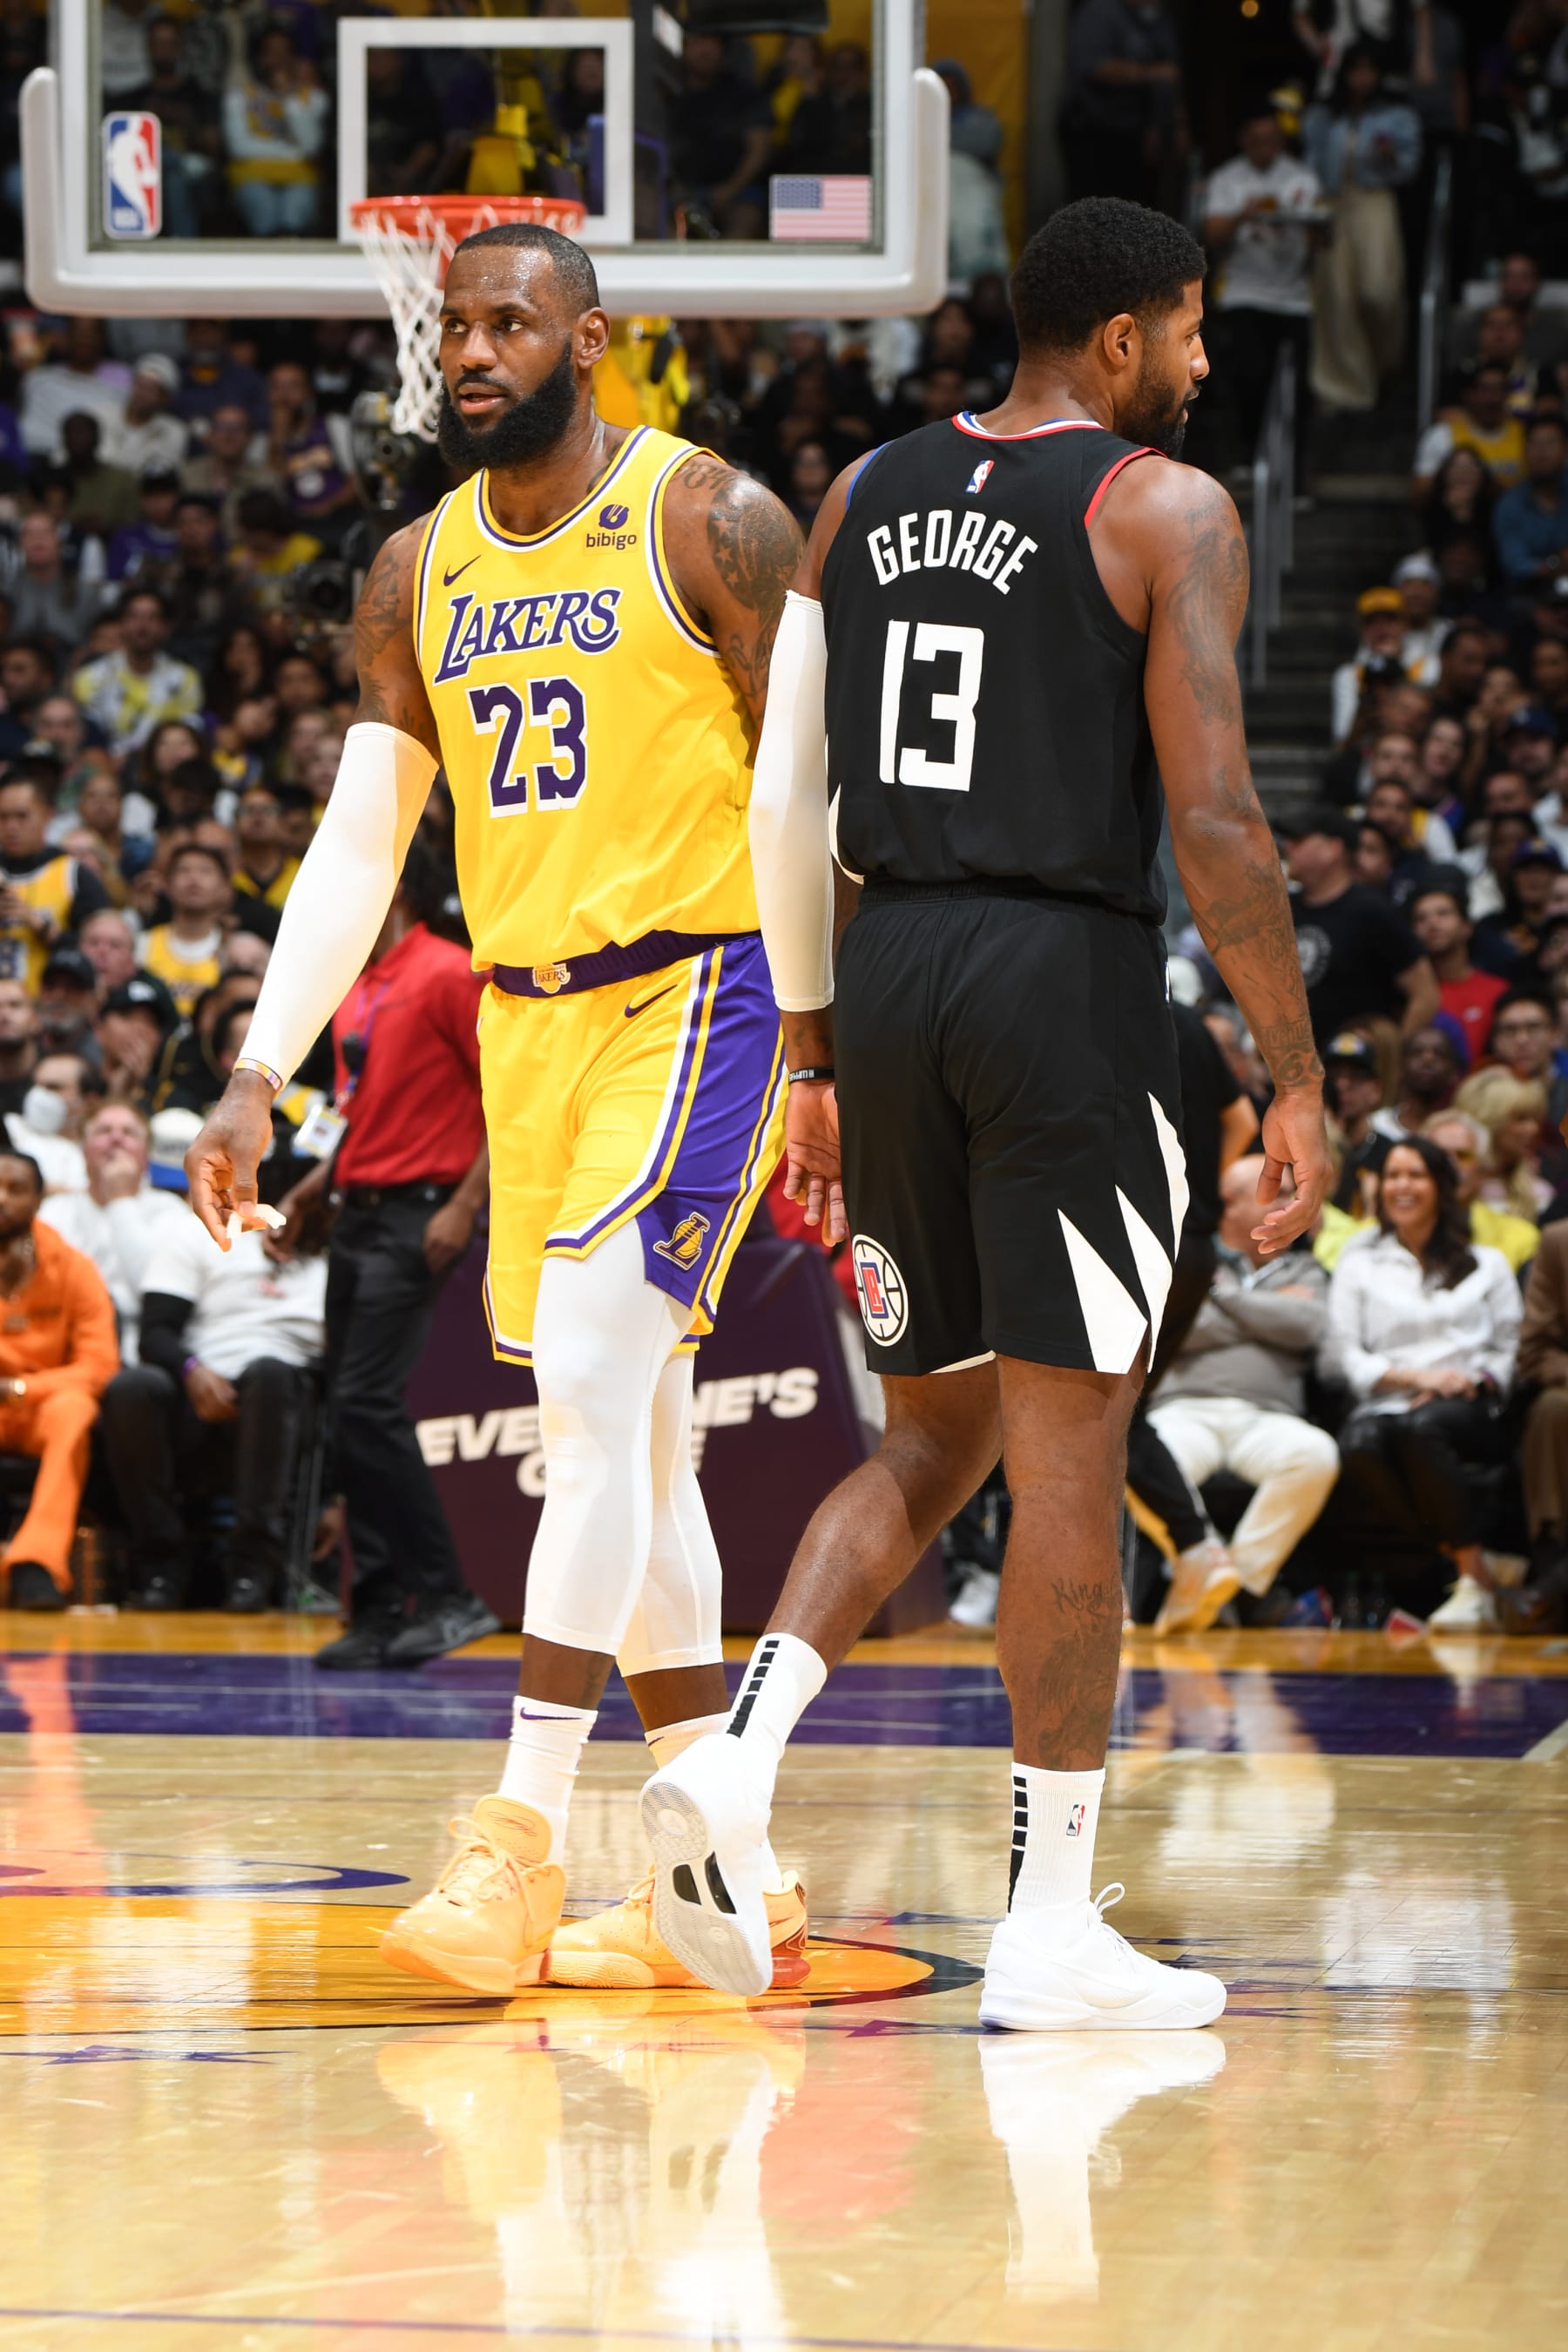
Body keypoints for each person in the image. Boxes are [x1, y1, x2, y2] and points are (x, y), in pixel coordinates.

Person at [639, 197, 1329, 2027]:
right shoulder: (1167, 509)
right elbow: (1217, 829)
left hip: (888, 976)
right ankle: (1047, 1927)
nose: (1197, 365)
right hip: (1060, 983)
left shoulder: (863, 494)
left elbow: (788, 797)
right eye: (1186, 333)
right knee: (1071, 1456)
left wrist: (807, 1053)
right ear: (1120, 340)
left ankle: (734, 1757)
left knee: (926, 1441)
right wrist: (1300, 1075)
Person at [186, 223, 808, 1996]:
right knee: (651, 1451)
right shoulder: (413, 568)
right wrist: (256, 1072)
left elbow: (811, 798)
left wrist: (836, 1049)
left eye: (507, 320)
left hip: (706, 990)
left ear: (590, 341)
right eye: (453, 323)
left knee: (601, 1400)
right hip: (533, 1028)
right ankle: (732, 1886)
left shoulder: (713, 520)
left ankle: (517, 1843)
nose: (468, 348)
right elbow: (363, 840)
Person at [277, 846, 500, 1672]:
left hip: (420, 1210)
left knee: (368, 1401)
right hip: (356, 1212)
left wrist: (466, 1204)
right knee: (346, 1409)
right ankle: (376, 1606)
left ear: (393, 888)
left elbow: (503, 1096)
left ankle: (449, 1596)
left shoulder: (447, 972)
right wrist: (313, 1186)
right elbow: (354, 1106)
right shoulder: (354, 988)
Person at [1325, 1136, 1521, 1629]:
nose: (1401, 1186)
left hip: (1467, 1404)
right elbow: (1346, 1353)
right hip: (1387, 1400)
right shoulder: (1360, 1261)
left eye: (1416, 1175)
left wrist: (1469, 1382)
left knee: (1421, 1429)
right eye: (1392, 1175)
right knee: (1358, 1444)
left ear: (1440, 1186)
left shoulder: (1487, 1262)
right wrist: (1415, 1378)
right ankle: (1471, 1570)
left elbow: (1510, 1347)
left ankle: (1468, 1571)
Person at [99, 1209, 324, 1610]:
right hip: (200, 1394)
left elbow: (344, 1366)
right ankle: (160, 1563)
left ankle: (251, 1567)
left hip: (285, 1403)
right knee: (132, 1387)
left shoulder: (336, 1250)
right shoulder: (198, 1231)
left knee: (270, 1376)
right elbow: (156, 1333)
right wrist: (192, 1371)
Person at [1148, 1156, 1338, 1625]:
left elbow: (1309, 1326)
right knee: (1142, 1462)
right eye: (1276, 1192)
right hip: (1184, 1410)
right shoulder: (1187, 1259)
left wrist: (1220, 1298)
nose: (1291, 1202)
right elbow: (1176, 1328)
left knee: (1316, 1455)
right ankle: (1209, 1571)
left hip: (1269, 1418)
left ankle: (1235, 1586)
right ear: (1230, 1205)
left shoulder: (1306, 1269)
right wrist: (1267, 1317)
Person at [0, 1149, 118, 1611]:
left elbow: (100, 1365)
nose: (2, 1198)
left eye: (16, 1189)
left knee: (74, 1409)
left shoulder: (73, 1268)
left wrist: (21, 1390)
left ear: (38, 1200)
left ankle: (37, 1563)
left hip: (37, 1410)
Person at [1203, 105, 1321, 483]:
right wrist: (1244, 215)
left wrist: (1313, 225)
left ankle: (1296, 472)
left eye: (1272, 140)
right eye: (1257, 140)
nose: (1265, 147)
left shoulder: (1301, 177)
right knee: (1248, 378)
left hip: (1294, 297)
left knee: (1298, 389)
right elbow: (1212, 233)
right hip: (1244, 293)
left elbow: (1323, 236)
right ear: (1244, 140)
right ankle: (1248, 455)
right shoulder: (1227, 179)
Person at [1303, 46, 1420, 414]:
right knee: (1337, 297)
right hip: (1333, 204)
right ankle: (1346, 389)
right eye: (1356, 70)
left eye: (1370, 70)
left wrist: (1390, 159)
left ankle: (1385, 365)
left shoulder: (1398, 115)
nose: (1362, 79)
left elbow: (1410, 167)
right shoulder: (1323, 115)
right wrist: (1314, 214)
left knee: (1378, 291)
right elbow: (1310, 167)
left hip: (1375, 200)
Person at [39, 1100, 188, 1361]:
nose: (116, 1139)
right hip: (65, 1339)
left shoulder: (171, 1211)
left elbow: (151, 1290)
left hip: (142, 1348)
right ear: (84, 1151)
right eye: (103, 1131)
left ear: (146, 1155)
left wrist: (121, 1201)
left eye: (129, 1133)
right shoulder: (54, 1211)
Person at [1281, 804, 1440, 1041]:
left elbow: (1426, 995)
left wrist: (1389, 1059)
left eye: (1299, 840)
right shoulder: (1282, 910)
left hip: (1350, 1067)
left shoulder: (1371, 911)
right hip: (1292, 1068)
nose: (1287, 847)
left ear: (1332, 849)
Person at [1507, 1220, 1568, 1632]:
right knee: (1553, 1410)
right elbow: (1533, 1350)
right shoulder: (1558, 1241)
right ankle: (1552, 1562)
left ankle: (1551, 1589)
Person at [0, 777, 111, 994]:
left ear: (47, 815)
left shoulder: (74, 874)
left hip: (52, 1008)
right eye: (3, 817)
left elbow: (99, 952)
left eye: (22, 816)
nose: (11, 826)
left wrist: (40, 926)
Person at [71, 586, 201, 758]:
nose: (142, 625)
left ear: (165, 628)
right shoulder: (89, 678)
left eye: (152, 617)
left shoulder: (185, 679)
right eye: (134, 616)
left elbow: (187, 737)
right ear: (120, 624)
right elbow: (85, 736)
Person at [1423, 1108, 1540, 1274]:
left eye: (1463, 1156)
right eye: (1440, 1155)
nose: (1451, 1166)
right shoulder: (1375, 1233)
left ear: (1483, 1167)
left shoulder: (1521, 1238)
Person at [1410, 882, 1509, 1063]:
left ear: (1467, 927)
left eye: (1443, 913)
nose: (1432, 922)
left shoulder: (1498, 991)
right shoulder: (1412, 997)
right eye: (1421, 918)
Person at [139, 842, 231, 1019]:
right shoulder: (143, 944)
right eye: (184, 871)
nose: (194, 879)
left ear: (224, 887)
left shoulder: (235, 951)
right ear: (167, 884)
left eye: (206, 871)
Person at [1412, 363, 1527, 498]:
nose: (1492, 399)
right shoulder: (1442, 435)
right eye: (1484, 389)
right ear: (1469, 394)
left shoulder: (1527, 435)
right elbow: (1420, 493)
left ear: (1508, 395)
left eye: (1499, 389)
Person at [1492, 412, 1568, 591]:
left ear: (1565, 450)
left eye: (1551, 443)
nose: (1542, 452)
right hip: (1530, 595)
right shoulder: (1509, 504)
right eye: (1535, 443)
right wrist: (1557, 564)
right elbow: (1515, 565)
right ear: (1524, 451)